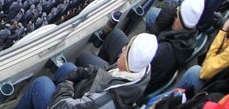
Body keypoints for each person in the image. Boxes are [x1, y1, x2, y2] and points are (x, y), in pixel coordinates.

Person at [16, 32, 157, 109]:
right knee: (68, 68)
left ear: (128, 61)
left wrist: (67, 83)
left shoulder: (107, 100)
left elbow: (61, 106)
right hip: (84, 97)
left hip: (68, 105)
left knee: (42, 84)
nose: (122, 49)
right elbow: (103, 73)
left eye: (126, 51)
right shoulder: (137, 70)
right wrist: (80, 73)